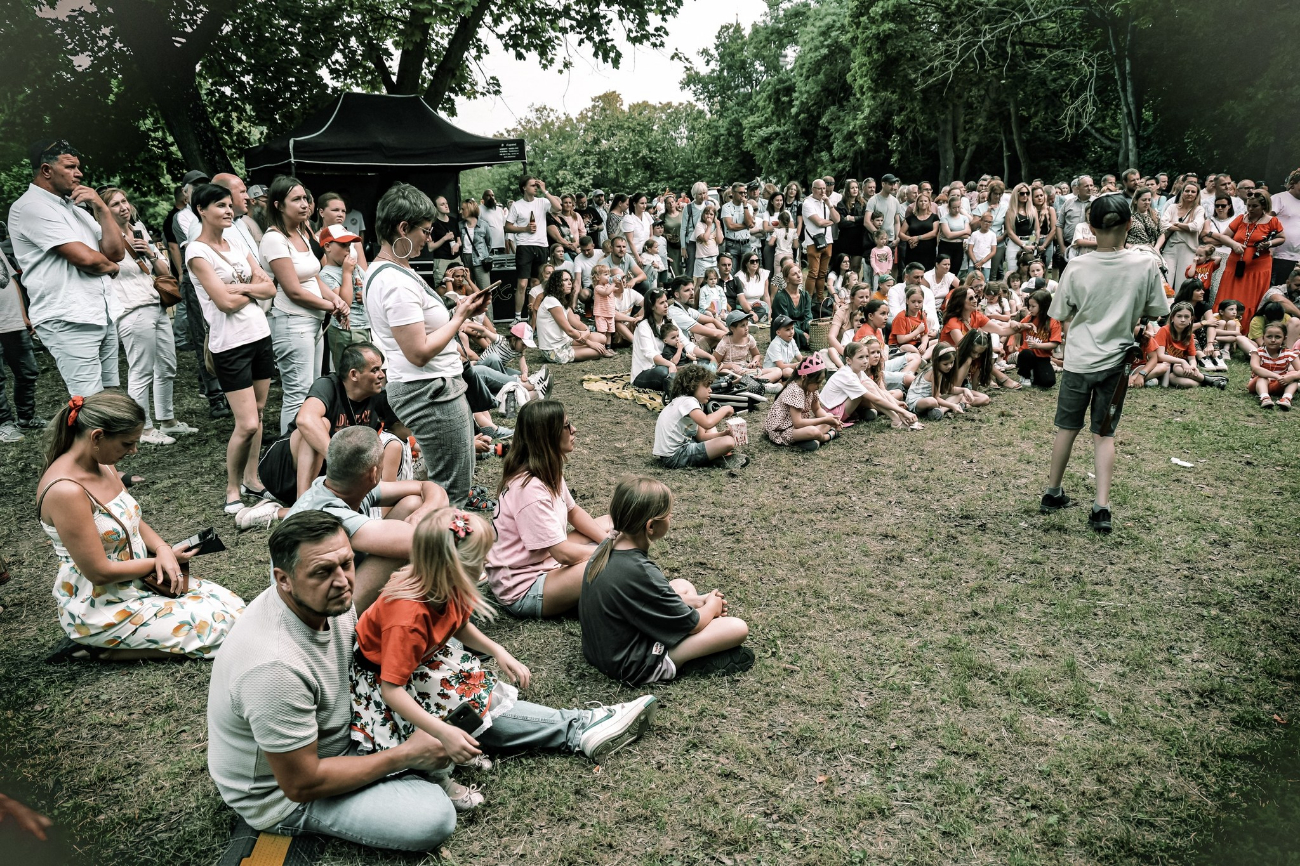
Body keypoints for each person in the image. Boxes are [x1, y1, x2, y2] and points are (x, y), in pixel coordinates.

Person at [207, 510, 658, 851]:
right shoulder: (272, 669)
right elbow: (301, 783)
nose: (344, 581)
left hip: (352, 720)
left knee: (465, 705)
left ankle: (578, 727)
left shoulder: (320, 599)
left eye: (347, 563)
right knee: (432, 819)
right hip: (292, 792)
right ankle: (433, 766)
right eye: (323, 572)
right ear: (282, 580)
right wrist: (408, 752)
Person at [38, 392, 246, 661]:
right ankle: (100, 650)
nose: (133, 451)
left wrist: (161, 548)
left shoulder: (105, 464)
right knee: (223, 631)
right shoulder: (66, 492)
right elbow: (100, 572)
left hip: (138, 584)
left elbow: (132, 520)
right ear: (97, 436)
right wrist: (159, 561)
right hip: (101, 605)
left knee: (235, 608)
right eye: (127, 443)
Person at [1042, 194, 1170, 534]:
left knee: (1066, 428)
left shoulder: (1077, 266)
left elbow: (1059, 312)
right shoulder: (1145, 265)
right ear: (1130, 225)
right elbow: (1159, 310)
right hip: (1116, 362)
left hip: (1078, 360)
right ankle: (1101, 507)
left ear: (1092, 227)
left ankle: (1052, 492)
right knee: (1104, 434)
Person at [365, 183, 489, 509]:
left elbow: (420, 328)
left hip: (431, 386)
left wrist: (460, 317)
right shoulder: (393, 281)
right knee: (450, 496)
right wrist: (459, 315)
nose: (428, 238)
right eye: (425, 230)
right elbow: (417, 351)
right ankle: (437, 555)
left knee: (445, 488)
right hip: (428, 390)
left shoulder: (396, 270)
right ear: (403, 228)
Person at [580, 475, 751, 684]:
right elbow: (694, 625)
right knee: (736, 627)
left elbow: (642, 599)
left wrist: (698, 601)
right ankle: (682, 662)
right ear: (650, 526)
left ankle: (691, 634)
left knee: (682, 585)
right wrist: (712, 607)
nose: (671, 519)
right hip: (632, 664)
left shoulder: (607, 546)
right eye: (669, 516)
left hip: (602, 651)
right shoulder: (640, 572)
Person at [185, 183, 278, 515]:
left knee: (262, 413)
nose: (228, 210)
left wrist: (239, 286)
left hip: (259, 335)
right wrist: (252, 289)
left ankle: (253, 478)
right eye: (220, 206)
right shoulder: (197, 251)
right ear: (201, 210)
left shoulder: (237, 243)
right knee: (248, 423)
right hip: (230, 345)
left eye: (229, 205)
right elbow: (223, 303)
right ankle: (232, 488)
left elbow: (270, 287)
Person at [284, 426, 448, 614]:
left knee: (414, 503)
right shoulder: (330, 512)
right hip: (320, 614)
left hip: (327, 584)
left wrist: (427, 508)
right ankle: (354, 624)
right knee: (405, 547)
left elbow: (425, 486)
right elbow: (418, 541)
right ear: (373, 473)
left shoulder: (338, 484)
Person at [7, 139, 124, 397]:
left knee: (110, 397)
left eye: (79, 167)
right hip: (67, 317)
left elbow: (116, 251)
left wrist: (101, 207)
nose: (80, 174)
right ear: (47, 170)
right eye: (71, 167)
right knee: (90, 403)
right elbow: (88, 260)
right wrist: (112, 268)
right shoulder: (30, 207)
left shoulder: (77, 210)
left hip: (100, 313)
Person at [485, 400, 612, 617]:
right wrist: (612, 552)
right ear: (548, 435)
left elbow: (573, 511)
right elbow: (563, 553)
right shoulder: (529, 489)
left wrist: (607, 542)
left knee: (612, 521)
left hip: (545, 560)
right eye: (566, 425)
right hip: (524, 587)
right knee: (608, 567)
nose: (574, 429)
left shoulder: (545, 469)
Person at [255, 342, 408, 507]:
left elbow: (400, 425)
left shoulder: (376, 396)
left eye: (381, 369)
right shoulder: (328, 385)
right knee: (320, 423)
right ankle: (303, 505)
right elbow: (305, 420)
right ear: (354, 374)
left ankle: (284, 510)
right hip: (281, 470)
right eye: (374, 370)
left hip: (327, 476)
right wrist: (339, 462)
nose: (381, 375)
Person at [96, 187, 190, 444]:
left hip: (155, 302)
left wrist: (148, 252)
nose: (123, 207)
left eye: (124, 201)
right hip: (131, 309)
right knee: (141, 370)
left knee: (167, 366)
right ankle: (144, 429)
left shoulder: (139, 230)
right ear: (104, 211)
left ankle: (167, 420)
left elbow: (163, 269)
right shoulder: (102, 238)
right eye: (115, 204)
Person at [261, 176, 348, 435]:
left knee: (311, 391)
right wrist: (330, 306)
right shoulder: (274, 239)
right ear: (278, 205)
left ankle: (306, 450)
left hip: (312, 321)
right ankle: (287, 453)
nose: (304, 205)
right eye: (296, 200)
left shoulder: (301, 231)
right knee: (297, 393)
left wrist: (336, 299)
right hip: (291, 321)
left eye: (305, 199)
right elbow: (294, 290)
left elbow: (314, 277)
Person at [1214, 189, 1287, 325]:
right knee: (1230, 294)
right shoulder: (1241, 218)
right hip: (1235, 264)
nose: (1250, 209)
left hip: (1258, 267)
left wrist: (1269, 243)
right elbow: (1223, 236)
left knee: (1250, 297)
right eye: (1248, 205)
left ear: (1264, 206)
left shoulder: (1272, 221)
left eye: (1255, 206)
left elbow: (1282, 238)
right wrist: (1233, 244)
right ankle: (1223, 324)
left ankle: (1246, 326)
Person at [652, 365, 742, 469]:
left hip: (674, 451)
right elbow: (707, 423)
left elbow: (701, 437)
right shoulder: (688, 402)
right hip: (675, 456)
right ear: (693, 386)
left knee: (719, 433)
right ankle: (715, 459)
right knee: (729, 442)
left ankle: (714, 454)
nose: (710, 390)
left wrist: (722, 434)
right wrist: (724, 409)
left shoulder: (682, 402)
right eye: (707, 386)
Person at [0, 244, 43, 442]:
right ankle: (4, 424)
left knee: (28, 371)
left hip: (13, 320)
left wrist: (23, 314)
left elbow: (11, 280)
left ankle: (26, 417)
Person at [507, 176, 562, 318]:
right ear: (524, 188)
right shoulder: (517, 205)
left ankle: (537, 315)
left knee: (538, 282)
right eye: (533, 185)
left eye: (537, 185)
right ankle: (517, 317)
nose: (536, 188)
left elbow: (558, 207)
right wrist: (524, 229)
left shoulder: (542, 201)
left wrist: (545, 190)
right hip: (524, 246)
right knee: (522, 284)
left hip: (541, 246)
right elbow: (507, 227)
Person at [801, 179, 840, 305]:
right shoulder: (807, 203)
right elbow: (818, 222)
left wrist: (829, 204)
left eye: (824, 188)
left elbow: (837, 219)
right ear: (813, 189)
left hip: (828, 240)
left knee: (823, 272)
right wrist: (830, 222)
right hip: (814, 241)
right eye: (819, 188)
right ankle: (807, 301)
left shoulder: (826, 202)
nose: (823, 191)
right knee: (813, 272)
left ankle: (819, 299)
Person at [1247, 321, 1300, 409]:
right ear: (1263, 337)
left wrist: (1291, 377)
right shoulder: (1257, 352)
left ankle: (1286, 398)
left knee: (1294, 376)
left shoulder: (1289, 354)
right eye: (1269, 336)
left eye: (1278, 337)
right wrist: (1276, 376)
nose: (1273, 340)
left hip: (1280, 383)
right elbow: (1256, 368)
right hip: (1257, 385)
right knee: (1262, 376)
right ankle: (1265, 398)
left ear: (1284, 339)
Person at [1014, 289, 1061, 388]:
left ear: (1044, 306)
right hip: (1028, 355)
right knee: (1026, 353)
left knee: (1048, 382)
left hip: (1042, 357)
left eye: (1033, 306)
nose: (1030, 309)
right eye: (1029, 306)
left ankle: (1034, 374)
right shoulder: (1029, 318)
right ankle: (1025, 375)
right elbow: (1017, 327)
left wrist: (1037, 345)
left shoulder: (1053, 322)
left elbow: (1055, 343)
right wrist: (1022, 326)